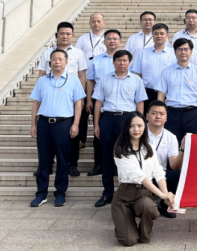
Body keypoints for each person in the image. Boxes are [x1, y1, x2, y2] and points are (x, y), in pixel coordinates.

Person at [29, 49, 85, 208]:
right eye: (54, 59)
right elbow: (36, 103)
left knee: (63, 160)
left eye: (60, 59)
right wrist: (33, 124)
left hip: (64, 124)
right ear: (50, 62)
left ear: (66, 62)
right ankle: (41, 193)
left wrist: (75, 124)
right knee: (44, 159)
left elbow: (78, 104)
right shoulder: (42, 81)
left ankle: (60, 192)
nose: (57, 62)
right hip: (44, 123)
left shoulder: (73, 80)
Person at [111, 112, 176, 246]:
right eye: (132, 126)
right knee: (128, 240)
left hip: (143, 194)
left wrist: (166, 194)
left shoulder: (149, 147)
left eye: (140, 125)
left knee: (147, 207)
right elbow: (139, 176)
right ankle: (126, 224)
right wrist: (161, 194)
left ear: (144, 127)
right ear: (126, 128)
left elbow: (158, 172)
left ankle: (144, 230)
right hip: (124, 196)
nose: (136, 129)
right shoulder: (119, 150)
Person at [92, 49, 146, 208]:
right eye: (119, 60)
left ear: (129, 62)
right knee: (107, 158)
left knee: (128, 157)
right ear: (113, 62)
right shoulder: (104, 79)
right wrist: (96, 124)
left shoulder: (136, 80)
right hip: (108, 119)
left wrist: (140, 124)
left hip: (128, 120)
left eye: (125, 60)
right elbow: (98, 103)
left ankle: (128, 193)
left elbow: (140, 103)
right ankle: (107, 193)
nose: (122, 63)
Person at [35, 22, 88, 177]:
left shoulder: (78, 53)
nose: (65, 36)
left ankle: (72, 164)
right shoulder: (47, 53)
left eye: (68, 33)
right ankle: (46, 165)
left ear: (72, 35)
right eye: (62, 33)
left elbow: (82, 75)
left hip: (72, 93)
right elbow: (41, 74)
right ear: (57, 35)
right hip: (52, 92)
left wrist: (82, 97)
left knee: (73, 132)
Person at [85, 29, 122, 176]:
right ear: (104, 41)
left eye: (115, 38)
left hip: (119, 102)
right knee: (98, 134)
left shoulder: (124, 59)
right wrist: (89, 99)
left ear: (119, 41)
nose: (112, 41)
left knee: (119, 137)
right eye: (109, 39)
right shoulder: (97, 59)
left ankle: (117, 166)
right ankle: (98, 164)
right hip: (100, 100)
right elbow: (91, 80)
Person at [156, 38, 197, 140]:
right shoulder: (166, 71)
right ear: (175, 52)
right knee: (172, 144)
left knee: (191, 145)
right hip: (172, 113)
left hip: (192, 114)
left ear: (191, 52)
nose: (183, 52)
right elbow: (161, 95)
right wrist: (161, 115)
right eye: (180, 49)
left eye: (186, 49)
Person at [145, 100, 184, 218]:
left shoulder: (171, 137)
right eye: (154, 113)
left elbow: (173, 165)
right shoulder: (139, 133)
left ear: (166, 117)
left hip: (159, 176)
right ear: (147, 116)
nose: (158, 116)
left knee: (176, 174)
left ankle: (164, 204)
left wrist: (183, 150)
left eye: (162, 114)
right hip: (141, 175)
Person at [130, 23, 175, 112]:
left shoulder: (173, 53)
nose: (159, 36)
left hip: (168, 93)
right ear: (152, 35)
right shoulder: (143, 53)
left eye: (162, 33)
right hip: (147, 92)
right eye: (156, 33)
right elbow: (138, 74)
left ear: (167, 35)